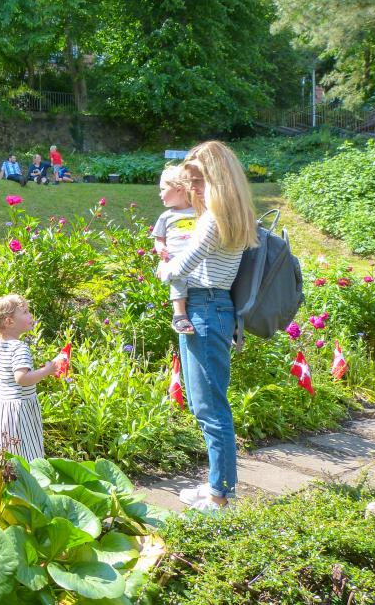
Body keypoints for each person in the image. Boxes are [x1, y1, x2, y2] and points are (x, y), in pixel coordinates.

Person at [156, 141, 258, 512]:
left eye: (198, 181)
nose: (193, 188)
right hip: (210, 307)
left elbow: (178, 268)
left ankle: (220, 496)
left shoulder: (215, 219)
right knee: (207, 404)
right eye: (190, 181)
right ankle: (217, 483)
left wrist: (163, 267)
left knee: (210, 407)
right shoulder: (230, 214)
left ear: (217, 179)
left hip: (204, 309)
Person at [0, 294, 67, 461]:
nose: (31, 316)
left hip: (3, 406)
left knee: (5, 452)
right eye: (25, 312)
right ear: (9, 322)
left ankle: (3, 483)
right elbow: (21, 379)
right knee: (25, 454)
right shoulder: (20, 348)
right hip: (20, 410)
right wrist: (47, 370)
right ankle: (27, 485)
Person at [152, 165, 197, 334]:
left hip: (198, 259)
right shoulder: (166, 216)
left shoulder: (200, 211)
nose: (160, 194)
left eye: (163, 189)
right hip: (175, 260)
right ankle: (180, 315)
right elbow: (159, 238)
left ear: (179, 189)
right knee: (178, 280)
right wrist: (161, 251)